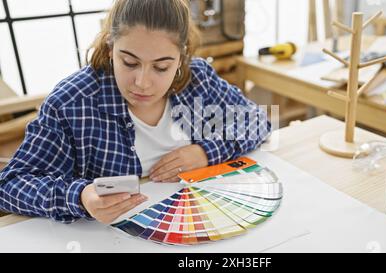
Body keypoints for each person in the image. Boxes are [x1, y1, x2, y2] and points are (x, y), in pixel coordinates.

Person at [0, 0, 271, 224]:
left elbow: (257, 120)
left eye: (161, 67)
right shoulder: (72, 102)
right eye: (129, 62)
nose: (142, 82)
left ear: (181, 57)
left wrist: (205, 152)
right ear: (110, 50)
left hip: (200, 221)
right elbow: (9, 185)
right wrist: (80, 195)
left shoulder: (198, 79)